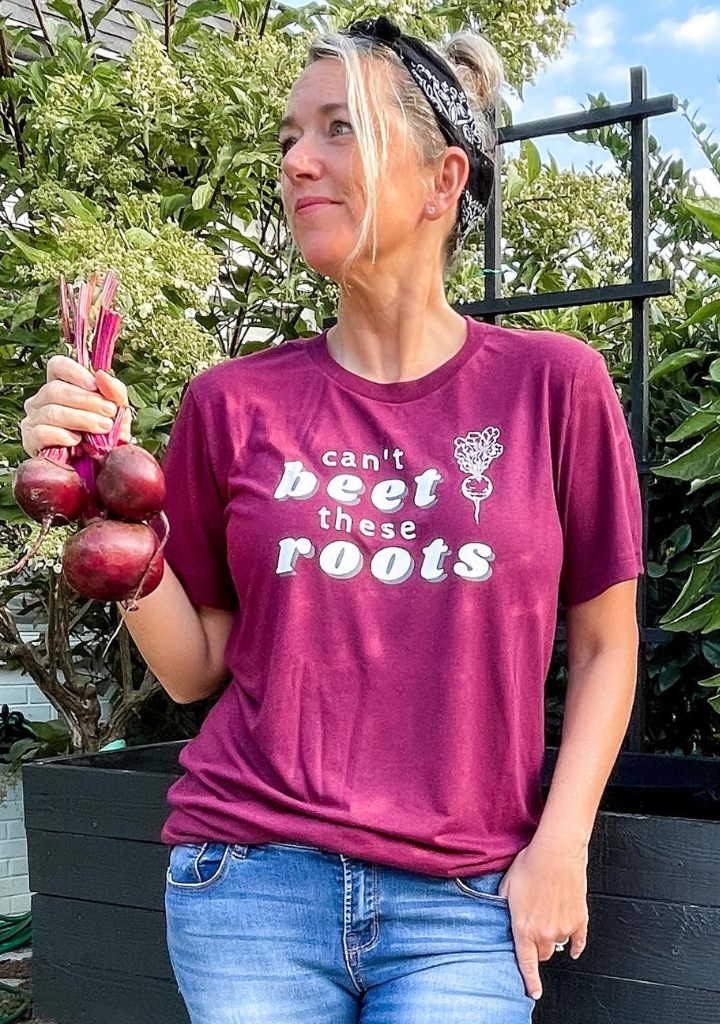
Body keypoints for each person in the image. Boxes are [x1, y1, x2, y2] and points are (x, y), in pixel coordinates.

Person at [19, 14, 645, 1023]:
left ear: (442, 181)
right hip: (249, 883)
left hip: (462, 903)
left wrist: (561, 841)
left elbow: (606, 645)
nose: (297, 161)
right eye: (288, 140)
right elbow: (194, 667)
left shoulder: (553, 386)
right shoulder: (233, 403)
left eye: (338, 128)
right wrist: (103, 498)